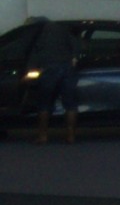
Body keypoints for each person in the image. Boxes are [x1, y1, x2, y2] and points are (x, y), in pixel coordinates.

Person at [24, 16, 82, 145]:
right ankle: (71, 136)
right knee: (70, 104)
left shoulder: (39, 33)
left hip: (48, 69)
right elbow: (76, 44)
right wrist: (74, 57)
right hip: (67, 68)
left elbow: (35, 54)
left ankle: (43, 136)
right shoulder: (62, 29)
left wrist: (30, 72)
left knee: (44, 104)